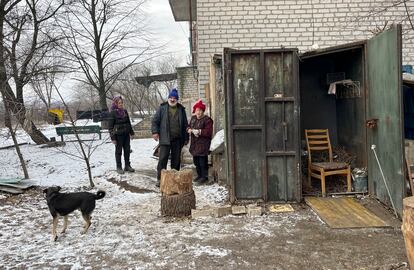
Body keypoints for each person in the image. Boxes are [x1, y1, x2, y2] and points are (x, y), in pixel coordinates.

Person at [151, 88, 189, 187]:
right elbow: (155, 121)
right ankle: (160, 179)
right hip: (165, 139)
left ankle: (174, 179)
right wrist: (155, 132)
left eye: (174, 98)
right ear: (168, 98)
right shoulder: (162, 108)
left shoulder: (181, 109)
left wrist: (186, 138)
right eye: (170, 98)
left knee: (176, 160)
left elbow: (185, 124)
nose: (172, 100)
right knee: (163, 159)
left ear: (177, 99)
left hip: (177, 139)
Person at [187, 99, 213, 185]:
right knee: (196, 161)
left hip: (203, 144)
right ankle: (199, 175)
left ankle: (204, 176)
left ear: (203, 111)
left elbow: (208, 132)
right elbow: (188, 126)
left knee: (202, 162)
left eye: (200, 110)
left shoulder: (207, 120)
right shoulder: (193, 119)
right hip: (194, 144)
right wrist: (189, 130)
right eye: (197, 110)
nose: (198, 112)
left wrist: (199, 131)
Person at [108, 96, 135, 174]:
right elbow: (110, 127)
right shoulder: (112, 113)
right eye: (119, 103)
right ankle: (119, 167)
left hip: (126, 134)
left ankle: (127, 165)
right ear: (115, 103)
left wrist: (131, 133)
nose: (121, 104)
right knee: (118, 151)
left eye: (122, 103)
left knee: (127, 150)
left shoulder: (125, 111)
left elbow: (128, 123)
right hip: (118, 136)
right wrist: (113, 138)